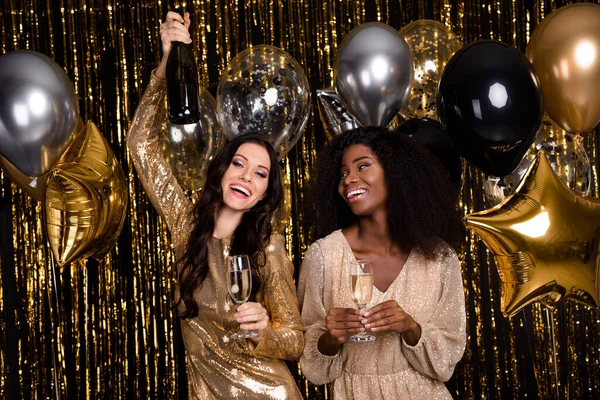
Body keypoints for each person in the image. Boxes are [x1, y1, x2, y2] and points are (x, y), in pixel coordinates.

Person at [126, 11, 303, 399]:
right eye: (239, 164)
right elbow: (141, 146)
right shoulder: (186, 224)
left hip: (269, 391)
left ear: (264, 194)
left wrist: (265, 329)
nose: (245, 177)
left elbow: (295, 342)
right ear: (222, 170)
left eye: (260, 174)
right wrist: (165, 64)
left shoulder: (267, 245)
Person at [298, 126, 466, 399]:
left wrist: (410, 327)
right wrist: (330, 338)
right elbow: (315, 370)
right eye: (343, 173)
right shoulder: (323, 256)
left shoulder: (440, 259)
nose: (349, 179)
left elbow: (445, 363)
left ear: (394, 171)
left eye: (362, 166)